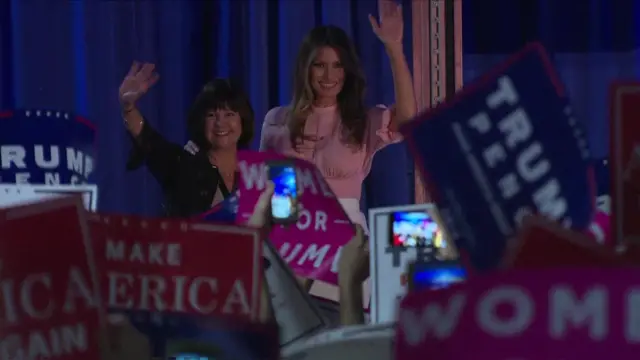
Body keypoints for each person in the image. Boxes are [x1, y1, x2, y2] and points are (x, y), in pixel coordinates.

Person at [259, 0, 417, 298]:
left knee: (346, 333)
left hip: (347, 246)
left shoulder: (362, 121)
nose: (329, 76)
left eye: (337, 66)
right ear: (306, 69)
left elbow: (408, 120)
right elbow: (263, 194)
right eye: (320, 65)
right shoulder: (277, 121)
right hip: (290, 244)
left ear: (348, 71)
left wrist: (394, 49)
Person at [119, 62, 254, 217]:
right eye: (211, 115)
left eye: (229, 114)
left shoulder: (255, 174)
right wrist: (128, 107)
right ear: (201, 122)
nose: (220, 123)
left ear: (243, 120)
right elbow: (148, 139)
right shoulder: (182, 165)